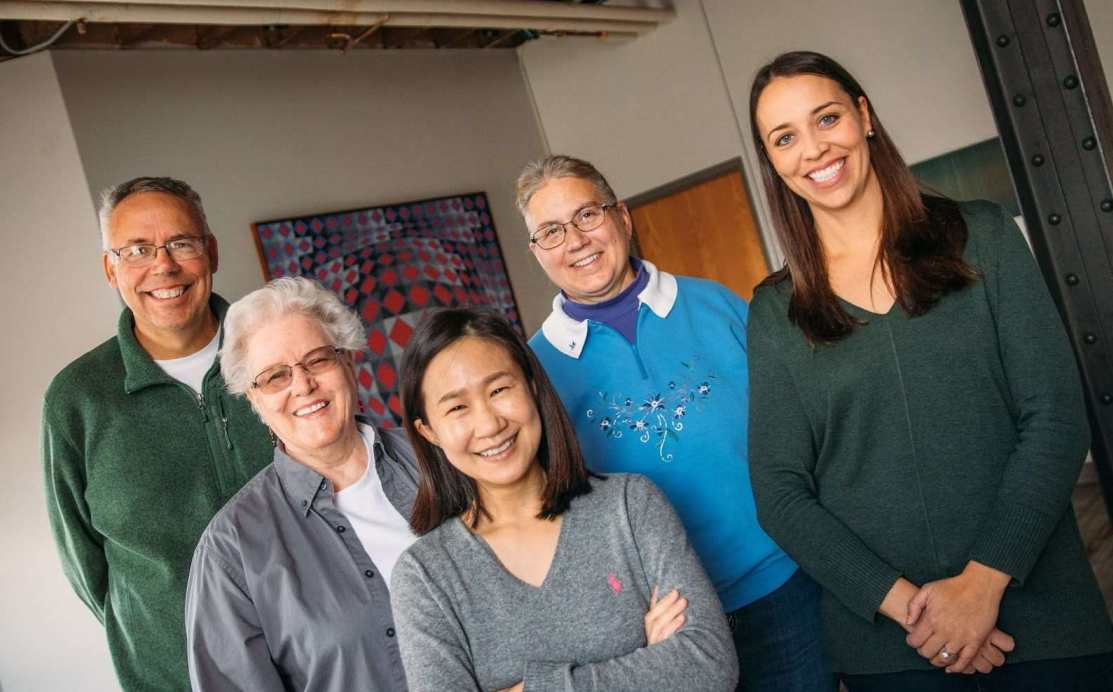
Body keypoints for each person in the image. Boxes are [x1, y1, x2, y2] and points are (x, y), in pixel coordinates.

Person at [746, 50, 1113, 691]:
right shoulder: (775, 311)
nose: (813, 149)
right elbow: (780, 494)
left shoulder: (986, 239)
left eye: (826, 118)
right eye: (785, 138)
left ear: (863, 117)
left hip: (1045, 625)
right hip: (891, 651)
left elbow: (1054, 418)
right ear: (774, 162)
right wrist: (913, 609)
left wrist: (982, 582)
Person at [517, 155, 834, 691]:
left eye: (587, 215)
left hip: (784, 587)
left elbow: (806, 428)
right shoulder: (534, 371)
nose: (575, 240)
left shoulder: (719, 305)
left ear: (623, 217)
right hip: (663, 626)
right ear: (537, 252)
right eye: (550, 231)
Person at [390, 306, 737, 692]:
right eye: (457, 407)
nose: (489, 425)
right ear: (429, 431)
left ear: (533, 387)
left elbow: (710, 663)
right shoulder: (425, 577)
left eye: (500, 390)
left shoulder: (630, 505)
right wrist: (650, 663)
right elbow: (682, 671)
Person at [41, 177, 273, 691]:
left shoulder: (279, 354)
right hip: (175, 678)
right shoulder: (76, 398)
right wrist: (166, 637)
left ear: (210, 252)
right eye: (137, 250)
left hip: (325, 664)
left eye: (181, 244)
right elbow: (86, 567)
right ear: (111, 269)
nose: (162, 266)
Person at [185, 277, 417, 691]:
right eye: (275, 376)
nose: (303, 385)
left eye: (317, 360)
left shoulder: (440, 457)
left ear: (347, 362)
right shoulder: (230, 550)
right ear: (254, 400)